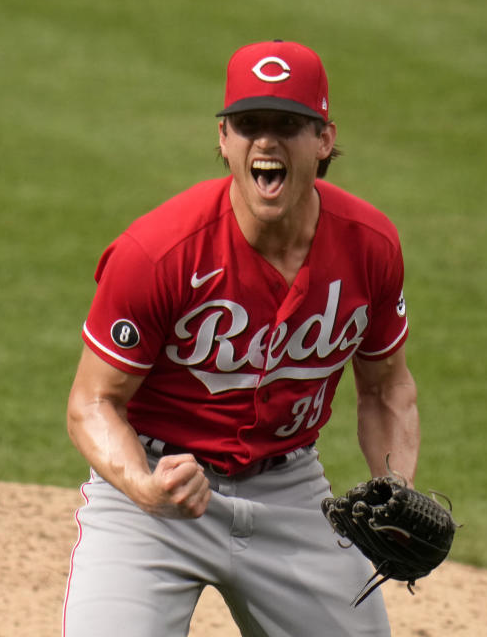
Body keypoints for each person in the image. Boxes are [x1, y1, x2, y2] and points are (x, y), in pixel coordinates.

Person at [64, 40, 420, 637]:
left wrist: (396, 487)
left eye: (288, 124)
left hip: (291, 491)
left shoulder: (370, 246)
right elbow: (92, 403)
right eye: (249, 124)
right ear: (223, 139)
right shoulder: (158, 252)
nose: (267, 141)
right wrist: (144, 488)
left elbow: (386, 389)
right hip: (154, 489)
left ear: (324, 139)